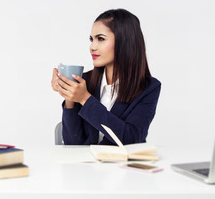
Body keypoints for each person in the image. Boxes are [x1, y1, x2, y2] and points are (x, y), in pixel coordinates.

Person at [51, 9, 161, 145]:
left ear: (124, 42)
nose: (92, 47)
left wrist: (85, 99)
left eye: (101, 39)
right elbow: (72, 144)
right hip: (86, 165)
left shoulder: (148, 87)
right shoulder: (84, 82)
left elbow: (131, 139)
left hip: (122, 165)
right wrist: (70, 99)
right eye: (92, 39)